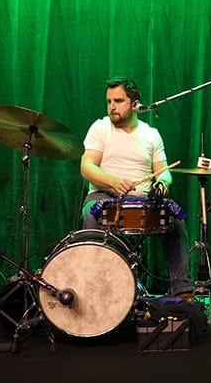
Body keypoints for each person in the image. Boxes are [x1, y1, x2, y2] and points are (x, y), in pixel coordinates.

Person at [80, 77, 193, 298]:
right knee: (91, 218)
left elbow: (164, 172)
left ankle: (183, 289)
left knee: (175, 218)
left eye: (118, 100)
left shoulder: (151, 134)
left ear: (135, 104)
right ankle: (88, 286)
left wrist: (162, 183)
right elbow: (87, 167)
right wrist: (113, 181)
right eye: (109, 101)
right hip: (103, 195)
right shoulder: (100, 128)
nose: (112, 106)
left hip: (144, 201)